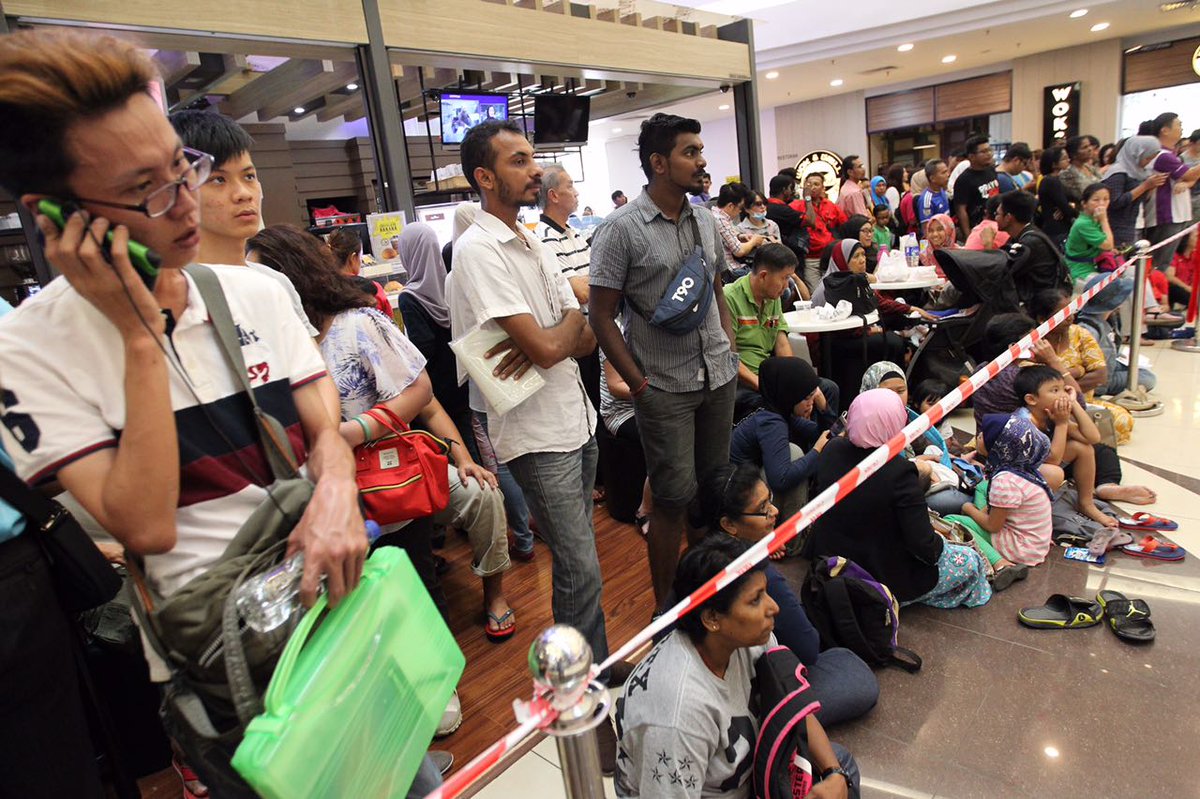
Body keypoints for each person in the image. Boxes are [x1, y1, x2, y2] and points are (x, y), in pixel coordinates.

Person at [0, 29, 376, 795]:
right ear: (58, 216)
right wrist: (142, 341)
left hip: (334, 606)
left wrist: (336, 490)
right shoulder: (28, 349)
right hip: (226, 666)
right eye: (148, 189)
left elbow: (322, 428)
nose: (185, 203)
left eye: (184, 167)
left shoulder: (259, 291)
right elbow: (146, 524)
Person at [248, 225, 518, 641]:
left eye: (258, 279)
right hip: (322, 501)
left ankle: (492, 598)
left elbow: (422, 395)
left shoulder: (358, 325)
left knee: (422, 596)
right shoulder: (266, 348)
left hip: (387, 478)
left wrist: (348, 434)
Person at [446, 122, 614, 699]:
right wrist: (561, 330)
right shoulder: (477, 252)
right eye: (520, 161)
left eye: (533, 158)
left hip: (576, 412)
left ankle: (590, 670)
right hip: (537, 432)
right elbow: (548, 344)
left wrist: (560, 331)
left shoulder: (533, 239)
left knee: (580, 557)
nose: (535, 169)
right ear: (485, 177)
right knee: (578, 563)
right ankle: (580, 687)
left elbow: (580, 332)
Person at [590, 113, 739, 610]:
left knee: (711, 495)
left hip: (717, 375)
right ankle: (666, 610)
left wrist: (729, 346)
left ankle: (708, 599)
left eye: (700, 150)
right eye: (690, 152)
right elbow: (602, 316)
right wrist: (638, 384)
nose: (702, 161)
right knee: (672, 500)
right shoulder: (619, 229)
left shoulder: (704, 218)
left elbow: (716, 284)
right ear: (658, 163)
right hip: (663, 388)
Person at [614, 535, 861, 799]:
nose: (774, 607)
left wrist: (834, 772)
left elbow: (791, 706)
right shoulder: (678, 717)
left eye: (766, 592)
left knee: (841, 766)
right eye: (755, 600)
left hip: (750, 774)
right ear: (711, 618)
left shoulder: (746, 639)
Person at [690, 464, 880, 725]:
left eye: (770, 501)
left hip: (708, 684)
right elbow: (807, 648)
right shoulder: (754, 573)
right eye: (763, 509)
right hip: (727, 698)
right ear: (729, 524)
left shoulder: (694, 560)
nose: (775, 511)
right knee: (853, 672)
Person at [810, 389, 992, 608]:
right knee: (970, 562)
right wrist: (942, 544)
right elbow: (922, 544)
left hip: (831, 562)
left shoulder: (832, 450)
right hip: (879, 574)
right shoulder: (898, 471)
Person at [168, 110, 319, 337]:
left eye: (249, 177)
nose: (243, 194)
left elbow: (314, 369)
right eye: (218, 180)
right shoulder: (175, 291)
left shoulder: (274, 283)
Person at [534, 164, 602, 442]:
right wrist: (592, 281)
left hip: (598, 332)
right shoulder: (543, 239)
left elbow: (604, 278)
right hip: (577, 338)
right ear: (553, 195)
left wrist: (591, 281)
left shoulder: (574, 233)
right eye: (570, 186)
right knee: (588, 408)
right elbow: (581, 292)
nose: (576, 192)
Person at [729, 357, 833, 521]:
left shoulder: (775, 407)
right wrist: (817, 451)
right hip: (740, 499)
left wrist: (824, 408)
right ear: (789, 395)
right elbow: (781, 479)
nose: (811, 403)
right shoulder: (771, 422)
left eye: (813, 396)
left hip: (748, 480)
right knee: (795, 454)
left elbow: (823, 434)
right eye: (806, 398)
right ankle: (794, 541)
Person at [1012, 365, 1116, 528]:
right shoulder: (1024, 421)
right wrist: (1061, 424)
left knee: (1083, 448)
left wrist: (1073, 403)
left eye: (1063, 389)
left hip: (1038, 469)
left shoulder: (1049, 414)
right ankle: (1031, 516)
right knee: (1055, 473)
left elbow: (1092, 438)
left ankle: (1086, 503)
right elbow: (1053, 459)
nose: (1063, 396)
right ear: (1031, 399)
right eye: (1055, 391)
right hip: (1016, 477)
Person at [393, 222, 471, 432]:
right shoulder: (449, 283)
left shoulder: (409, 297)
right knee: (468, 437)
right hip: (460, 376)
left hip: (434, 385)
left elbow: (423, 344)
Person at [961, 413, 1060, 567]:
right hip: (1036, 543)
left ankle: (1000, 563)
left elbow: (993, 526)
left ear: (997, 447)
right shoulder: (1021, 468)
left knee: (954, 521)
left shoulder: (1004, 481)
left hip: (1022, 549)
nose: (979, 436)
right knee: (982, 487)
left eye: (983, 436)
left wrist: (968, 510)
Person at [1142, 113, 1200, 274]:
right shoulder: (1162, 155)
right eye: (1178, 125)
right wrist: (1189, 179)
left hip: (1177, 214)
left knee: (1164, 263)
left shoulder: (1170, 154)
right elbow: (1190, 174)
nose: (1182, 129)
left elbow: (1189, 178)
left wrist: (1187, 182)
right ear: (1165, 130)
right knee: (1158, 265)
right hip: (1166, 215)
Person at [996, 190, 1071, 307]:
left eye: (997, 214)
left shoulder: (1030, 243)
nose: (995, 218)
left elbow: (1001, 271)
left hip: (1040, 306)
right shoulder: (1029, 233)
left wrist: (987, 244)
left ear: (1008, 218)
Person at [1101, 135, 1169, 251]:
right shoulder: (1117, 172)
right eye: (1147, 158)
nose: (1148, 162)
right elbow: (1115, 202)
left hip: (1133, 225)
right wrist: (1145, 186)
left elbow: (1140, 199)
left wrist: (1151, 187)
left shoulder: (1139, 172)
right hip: (1117, 228)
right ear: (1136, 153)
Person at [795, 172, 847, 292]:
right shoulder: (796, 206)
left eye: (816, 184)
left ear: (823, 187)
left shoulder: (831, 206)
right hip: (810, 258)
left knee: (834, 290)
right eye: (808, 184)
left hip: (830, 256)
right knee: (815, 292)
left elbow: (844, 225)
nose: (812, 187)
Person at [327, 225, 394, 318]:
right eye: (360, 256)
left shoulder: (320, 289)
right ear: (353, 258)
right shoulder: (373, 289)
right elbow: (389, 324)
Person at [952, 135, 999, 240]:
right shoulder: (964, 179)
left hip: (995, 224)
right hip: (978, 229)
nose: (989, 154)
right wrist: (969, 236)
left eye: (989, 150)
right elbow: (961, 210)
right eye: (984, 152)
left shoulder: (991, 170)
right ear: (971, 156)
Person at [712, 181, 764, 277]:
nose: (740, 211)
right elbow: (738, 251)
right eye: (740, 208)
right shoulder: (720, 220)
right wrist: (754, 241)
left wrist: (740, 236)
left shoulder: (717, 215)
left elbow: (727, 237)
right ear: (731, 206)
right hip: (732, 271)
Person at [765, 173, 810, 276]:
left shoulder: (767, 206)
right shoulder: (782, 210)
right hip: (789, 256)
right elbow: (810, 221)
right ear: (784, 189)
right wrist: (808, 198)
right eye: (791, 188)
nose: (792, 192)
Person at [1035, 147, 1076, 248]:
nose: (1068, 160)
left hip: (1055, 226)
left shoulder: (1054, 179)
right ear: (1054, 164)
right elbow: (1065, 208)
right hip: (1057, 229)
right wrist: (1073, 209)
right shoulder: (1051, 181)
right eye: (1064, 158)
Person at [1059, 135, 1104, 201]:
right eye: (1084, 147)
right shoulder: (1067, 173)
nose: (1090, 149)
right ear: (1074, 154)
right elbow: (1079, 196)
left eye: (1089, 146)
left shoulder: (1090, 168)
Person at [917, 158, 951, 230]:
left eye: (947, 171)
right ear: (932, 178)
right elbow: (927, 229)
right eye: (943, 173)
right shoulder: (926, 200)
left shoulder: (942, 191)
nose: (948, 175)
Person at [835, 154, 870, 219]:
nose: (863, 169)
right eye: (859, 167)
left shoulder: (846, 187)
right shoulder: (854, 192)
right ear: (850, 172)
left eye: (862, 166)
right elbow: (862, 218)